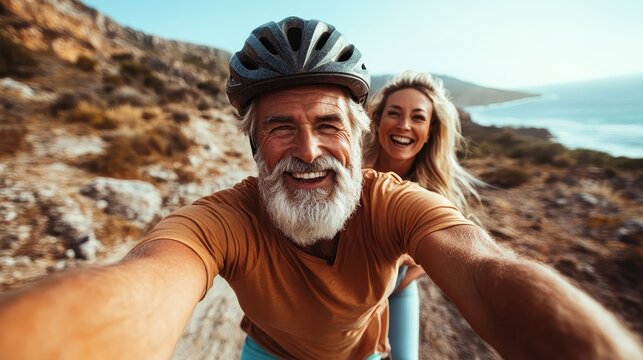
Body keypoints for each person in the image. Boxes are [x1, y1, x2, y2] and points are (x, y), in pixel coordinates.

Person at [0, 16, 641, 360]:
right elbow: (146, 283)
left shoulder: (392, 200)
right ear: (254, 144)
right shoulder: (222, 220)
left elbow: (485, 270)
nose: (307, 151)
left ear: (355, 134)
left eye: (328, 124)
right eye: (281, 127)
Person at [364, 71, 484, 359]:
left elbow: (435, 252)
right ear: (377, 120)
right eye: (394, 113)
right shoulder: (351, 170)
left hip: (397, 288)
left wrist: (407, 271)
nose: (404, 125)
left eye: (418, 117)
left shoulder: (434, 192)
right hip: (345, 287)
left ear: (430, 130)